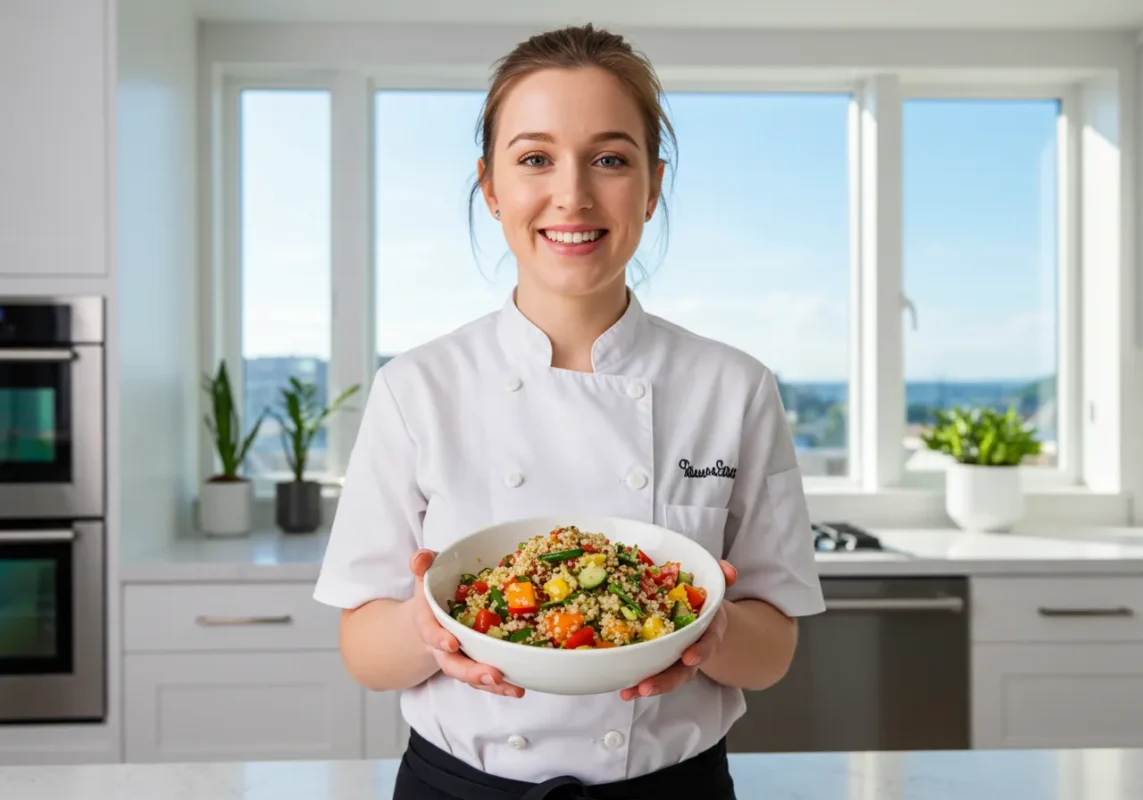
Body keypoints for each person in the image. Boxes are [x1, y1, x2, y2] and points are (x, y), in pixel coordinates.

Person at [313, 22, 825, 800]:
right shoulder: (418, 387)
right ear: (490, 186)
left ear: (652, 187)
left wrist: (710, 630)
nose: (573, 195)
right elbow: (363, 649)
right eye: (534, 159)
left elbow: (773, 649)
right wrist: (426, 624)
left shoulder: (734, 386)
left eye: (610, 159)